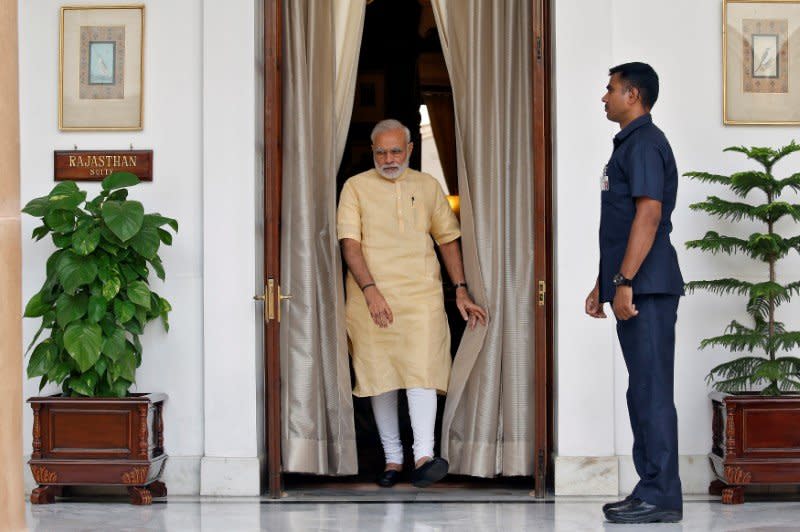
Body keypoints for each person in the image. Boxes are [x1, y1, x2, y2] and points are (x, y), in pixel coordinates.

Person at [337, 118, 487, 488]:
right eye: (381, 152)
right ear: (372, 152)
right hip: (369, 295)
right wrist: (371, 290)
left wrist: (462, 288)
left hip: (421, 296)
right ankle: (392, 459)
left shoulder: (428, 185)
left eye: (395, 151)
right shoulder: (355, 187)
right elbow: (349, 244)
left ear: (410, 150)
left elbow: (447, 238)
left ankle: (424, 455)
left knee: (422, 371)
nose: (389, 158)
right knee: (380, 376)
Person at [585, 62, 685, 524]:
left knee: (651, 390)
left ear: (633, 94)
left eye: (610, 90)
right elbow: (622, 224)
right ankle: (650, 487)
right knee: (640, 391)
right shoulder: (631, 144)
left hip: (647, 286)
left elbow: (647, 216)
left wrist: (624, 282)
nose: (603, 97)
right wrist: (603, 284)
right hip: (635, 282)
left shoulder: (644, 143)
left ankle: (662, 495)